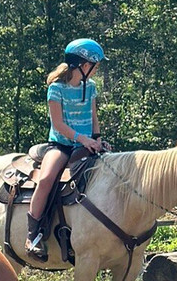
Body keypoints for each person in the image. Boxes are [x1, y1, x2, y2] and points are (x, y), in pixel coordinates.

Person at [25, 38, 113, 261]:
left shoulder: (90, 87)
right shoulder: (56, 89)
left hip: (87, 143)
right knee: (46, 180)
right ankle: (32, 235)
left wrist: (98, 139)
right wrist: (82, 140)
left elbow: (94, 117)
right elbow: (59, 125)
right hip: (62, 144)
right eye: (95, 65)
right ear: (84, 65)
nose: (96, 70)